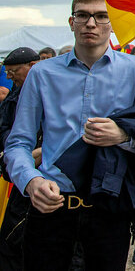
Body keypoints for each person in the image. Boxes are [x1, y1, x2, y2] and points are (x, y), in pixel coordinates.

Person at [4, 0, 135, 270]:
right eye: (83, 15)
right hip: (51, 205)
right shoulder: (42, 73)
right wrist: (31, 181)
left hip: (109, 206)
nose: (91, 23)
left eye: (101, 16)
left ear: (112, 23)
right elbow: (18, 144)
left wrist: (124, 136)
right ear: (71, 21)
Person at [0, 47, 40, 270]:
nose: (8, 76)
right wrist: (12, 147)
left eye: (13, 71)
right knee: (10, 241)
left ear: (32, 67)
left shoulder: (50, 90)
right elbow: (4, 126)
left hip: (42, 175)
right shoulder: (15, 93)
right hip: (17, 172)